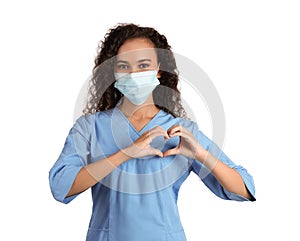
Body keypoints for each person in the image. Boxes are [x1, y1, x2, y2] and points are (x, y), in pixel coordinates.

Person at [49, 23, 255, 241]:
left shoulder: (181, 132)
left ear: (158, 70)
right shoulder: (89, 128)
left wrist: (200, 153)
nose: (134, 74)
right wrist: (127, 153)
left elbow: (243, 188)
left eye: (143, 65)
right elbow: (61, 186)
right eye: (124, 66)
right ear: (113, 72)